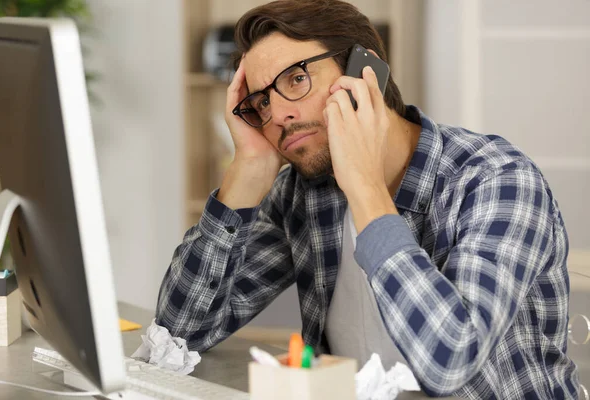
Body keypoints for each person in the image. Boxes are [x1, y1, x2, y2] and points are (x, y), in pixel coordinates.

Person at [155, 0, 578, 398]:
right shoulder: (303, 193)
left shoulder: (497, 179)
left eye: (296, 79)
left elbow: (450, 359)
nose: (278, 114)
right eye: (262, 101)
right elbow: (179, 334)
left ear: (365, 72)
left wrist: (366, 188)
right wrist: (245, 174)